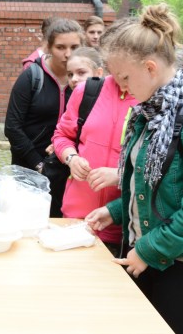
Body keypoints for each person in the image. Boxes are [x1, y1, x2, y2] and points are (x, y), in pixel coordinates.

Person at [85, 3, 183, 334]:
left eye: (124, 77)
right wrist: (115, 211)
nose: (121, 87)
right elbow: (150, 187)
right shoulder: (149, 113)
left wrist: (147, 251)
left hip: (179, 262)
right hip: (146, 249)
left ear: (150, 67)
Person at [53, 20, 138, 256]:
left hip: (122, 222)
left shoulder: (148, 98)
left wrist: (120, 176)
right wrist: (71, 158)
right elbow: (62, 135)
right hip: (76, 216)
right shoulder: (88, 91)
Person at [5, 18, 83, 171]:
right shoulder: (32, 76)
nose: (68, 54)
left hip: (68, 166)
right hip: (30, 168)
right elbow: (12, 127)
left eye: (74, 47)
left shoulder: (84, 81)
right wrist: (38, 164)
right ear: (48, 47)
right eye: (60, 47)